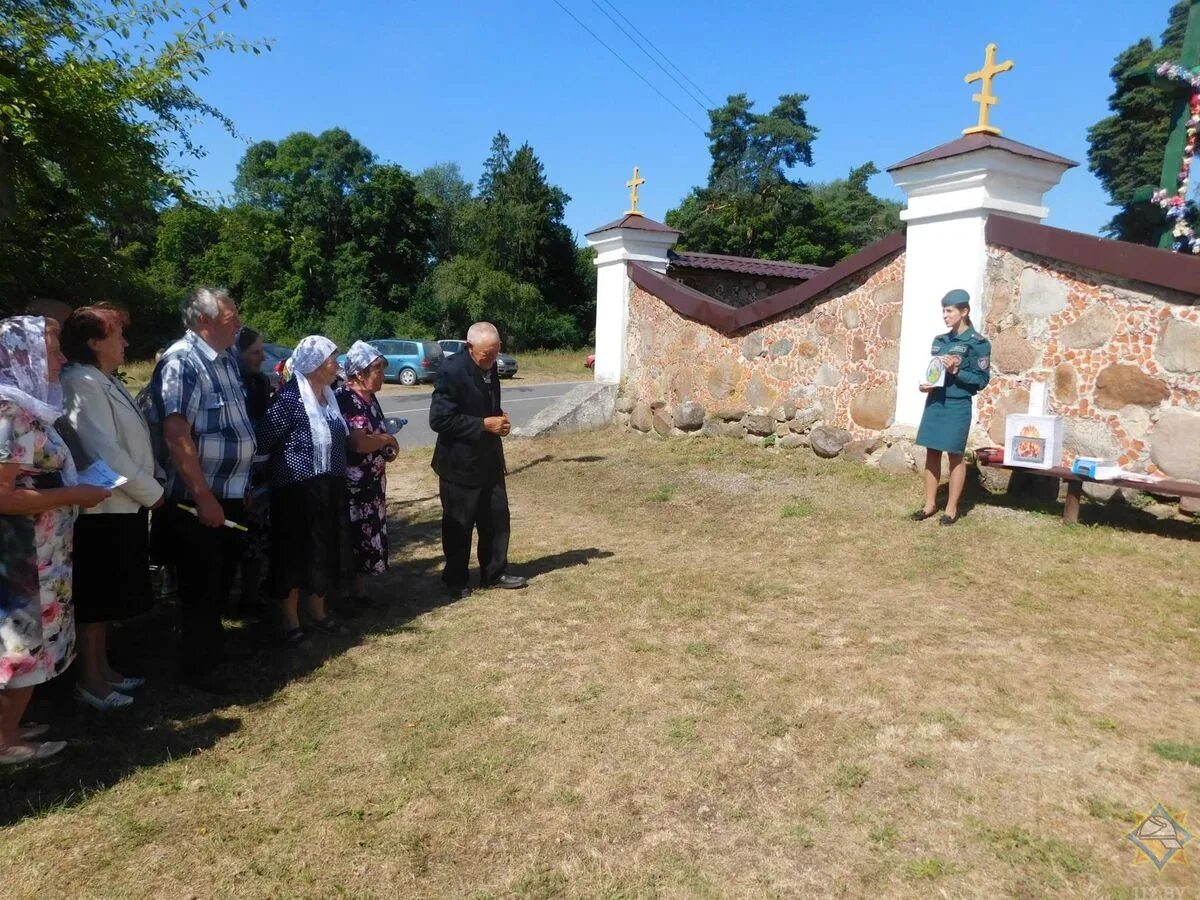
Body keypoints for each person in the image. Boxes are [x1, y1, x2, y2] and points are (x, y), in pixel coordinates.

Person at [0, 316, 109, 764]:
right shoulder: (7, 411)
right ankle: (5, 741)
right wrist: (75, 494)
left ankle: (8, 727)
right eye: (52, 349)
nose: (62, 359)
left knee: (34, 643)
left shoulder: (28, 406)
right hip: (22, 556)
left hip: (43, 551)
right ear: (22, 355)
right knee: (21, 647)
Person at [145, 287, 255, 693]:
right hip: (197, 500)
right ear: (204, 321)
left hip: (227, 493)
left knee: (221, 578)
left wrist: (237, 485)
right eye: (232, 318)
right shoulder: (181, 362)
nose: (239, 324)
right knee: (200, 585)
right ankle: (200, 670)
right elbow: (176, 433)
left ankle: (214, 654)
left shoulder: (224, 359)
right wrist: (205, 496)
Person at [62, 304, 164, 710]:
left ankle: (103, 670)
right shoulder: (80, 382)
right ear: (92, 342)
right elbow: (105, 451)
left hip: (124, 506)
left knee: (107, 599)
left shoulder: (101, 378)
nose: (125, 342)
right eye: (116, 334)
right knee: (96, 598)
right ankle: (90, 680)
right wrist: (150, 491)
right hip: (103, 508)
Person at [256, 335, 353, 646]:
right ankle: (291, 620)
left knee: (322, 549)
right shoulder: (288, 400)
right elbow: (262, 440)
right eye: (332, 359)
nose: (337, 364)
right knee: (294, 554)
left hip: (330, 486)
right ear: (314, 366)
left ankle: (319, 613)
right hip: (296, 490)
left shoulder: (330, 396)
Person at [429, 321, 526, 599]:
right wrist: (483, 424)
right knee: (459, 524)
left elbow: (486, 405)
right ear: (470, 347)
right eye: (487, 354)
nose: (492, 359)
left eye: (496, 353)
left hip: (489, 460)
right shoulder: (451, 371)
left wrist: (500, 418)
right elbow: (439, 419)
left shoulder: (490, 365)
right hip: (459, 463)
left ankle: (495, 572)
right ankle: (455, 580)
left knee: (496, 518)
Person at [912, 289, 992, 526]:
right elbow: (935, 373)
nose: (945, 315)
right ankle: (929, 504)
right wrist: (928, 385)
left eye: (949, 311)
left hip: (958, 404)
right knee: (932, 453)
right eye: (943, 311)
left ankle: (951, 508)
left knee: (955, 456)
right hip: (936, 402)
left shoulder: (978, 343)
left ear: (964, 311)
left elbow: (981, 380)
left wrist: (957, 370)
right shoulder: (940, 341)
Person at [336, 341, 399, 610]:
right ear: (360, 373)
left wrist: (386, 446)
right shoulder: (347, 398)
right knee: (351, 537)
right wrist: (386, 439)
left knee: (366, 534)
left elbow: (374, 436)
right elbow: (358, 443)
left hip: (371, 484)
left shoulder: (369, 398)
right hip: (353, 487)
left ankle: (360, 592)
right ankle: (344, 596)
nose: (383, 375)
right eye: (378, 370)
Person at [233, 327, 273, 618]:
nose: (262, 357)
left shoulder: (260, 383)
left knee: (256, 538)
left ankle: (250, 596)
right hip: (233, 473)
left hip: (259, 471)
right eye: (255, 352)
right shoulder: (230, 385)